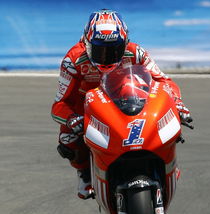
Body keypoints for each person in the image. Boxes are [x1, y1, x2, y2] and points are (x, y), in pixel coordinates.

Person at [51, 9, 192, 199]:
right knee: (67, 140)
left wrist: (177, 103)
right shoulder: (73, 60)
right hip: (88, 108)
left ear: (124, 44)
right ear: (86, 44)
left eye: (114, 49)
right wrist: (71, 119)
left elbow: (164, 82)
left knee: (168, 118)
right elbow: (59, 104)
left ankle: (165, 162)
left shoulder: (136, 53)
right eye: (99, 50)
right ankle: (85, 173)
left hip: (129, 100)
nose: (107, 56)